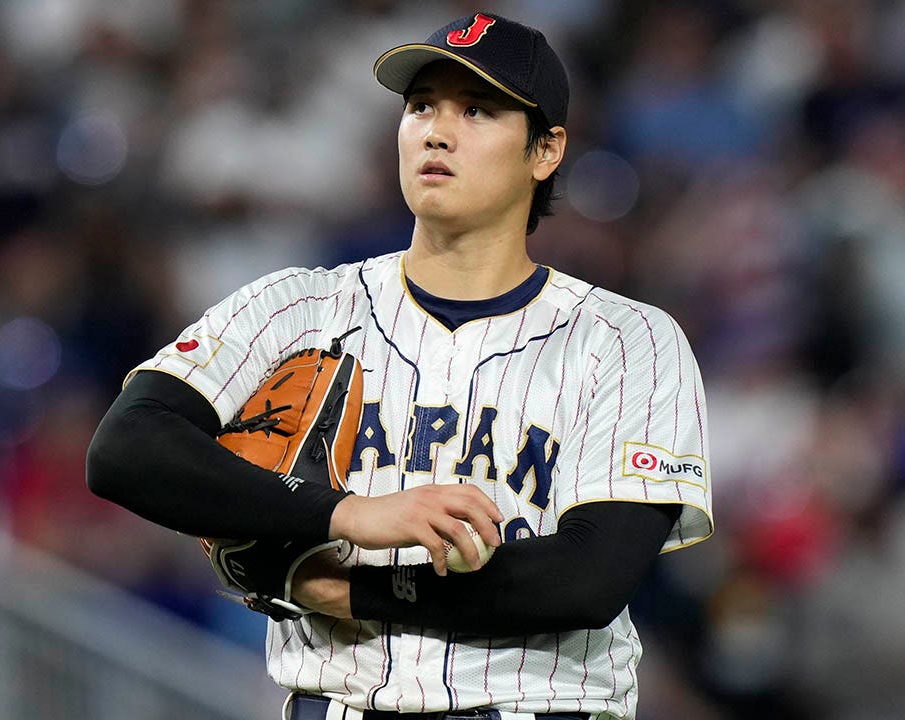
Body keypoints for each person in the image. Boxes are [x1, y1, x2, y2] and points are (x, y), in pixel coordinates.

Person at [87, 12, 714, 719]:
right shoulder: (297, 306)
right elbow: (125, 448)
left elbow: (587, 580)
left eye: (476, 110)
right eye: (421, 106)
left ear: (546, 150)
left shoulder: (627, 339)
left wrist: (345, 589)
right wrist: (350, 513)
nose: (437, 131)